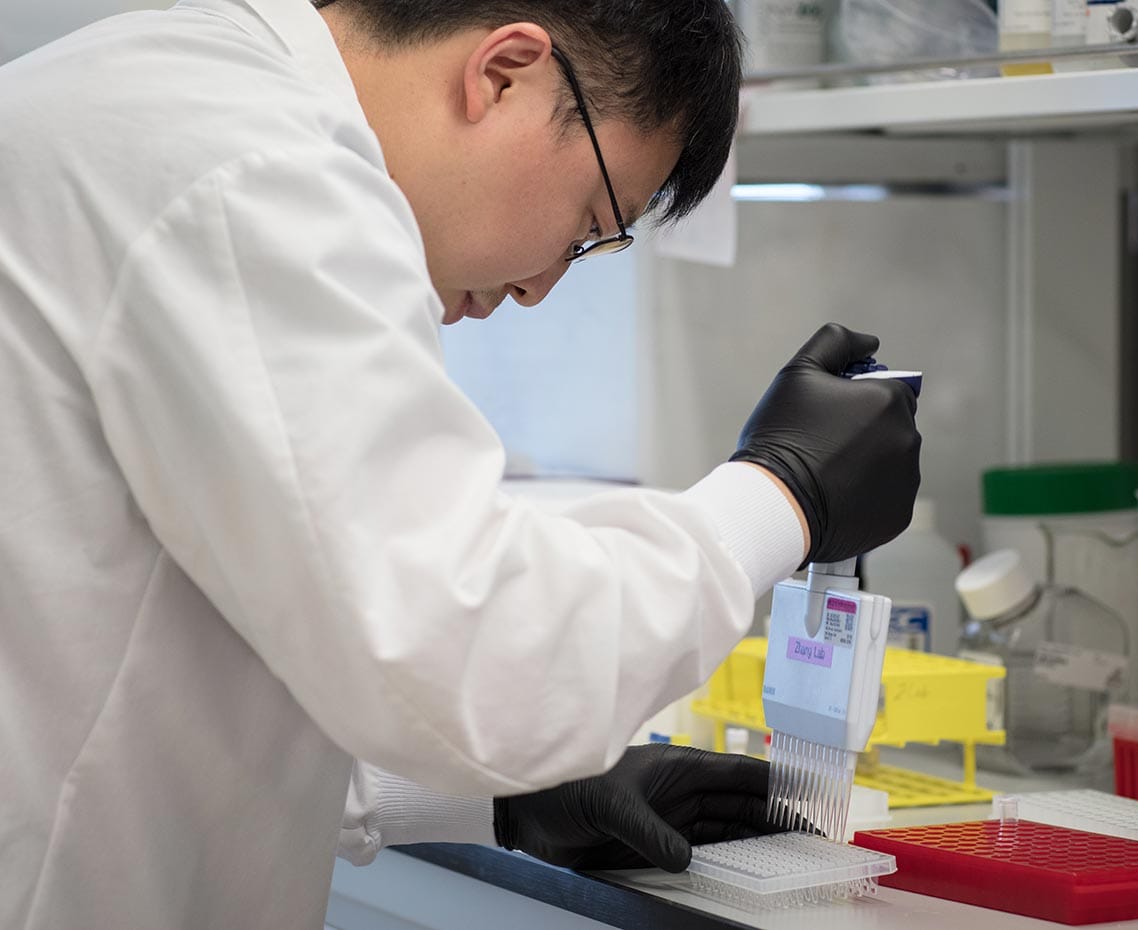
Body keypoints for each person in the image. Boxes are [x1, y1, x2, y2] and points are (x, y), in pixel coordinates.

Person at [0, 0, 922, 927]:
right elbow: (464, 655)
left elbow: (174, 660)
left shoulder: (151, 95)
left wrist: (500, 799)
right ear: (504, 72)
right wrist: (778, 493)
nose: (539, 285)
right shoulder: (249, 168)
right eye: (591, 223)